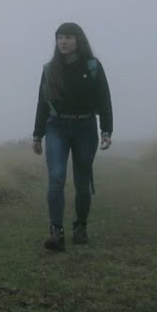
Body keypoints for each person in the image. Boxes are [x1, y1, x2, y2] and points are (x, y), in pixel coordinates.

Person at [31, 22, 112, 252]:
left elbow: (104, 99)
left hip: (85, 127)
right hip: (56, 127)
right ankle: (56, 232)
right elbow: (42, 103)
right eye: (59, 38)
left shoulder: (93, 66)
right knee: (56, 177)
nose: (63, 42)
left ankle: (81, 226)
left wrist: (106, 130)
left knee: (82, 182)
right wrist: (37, 135)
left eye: (67, 37)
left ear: (78, 40)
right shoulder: (49, 69)